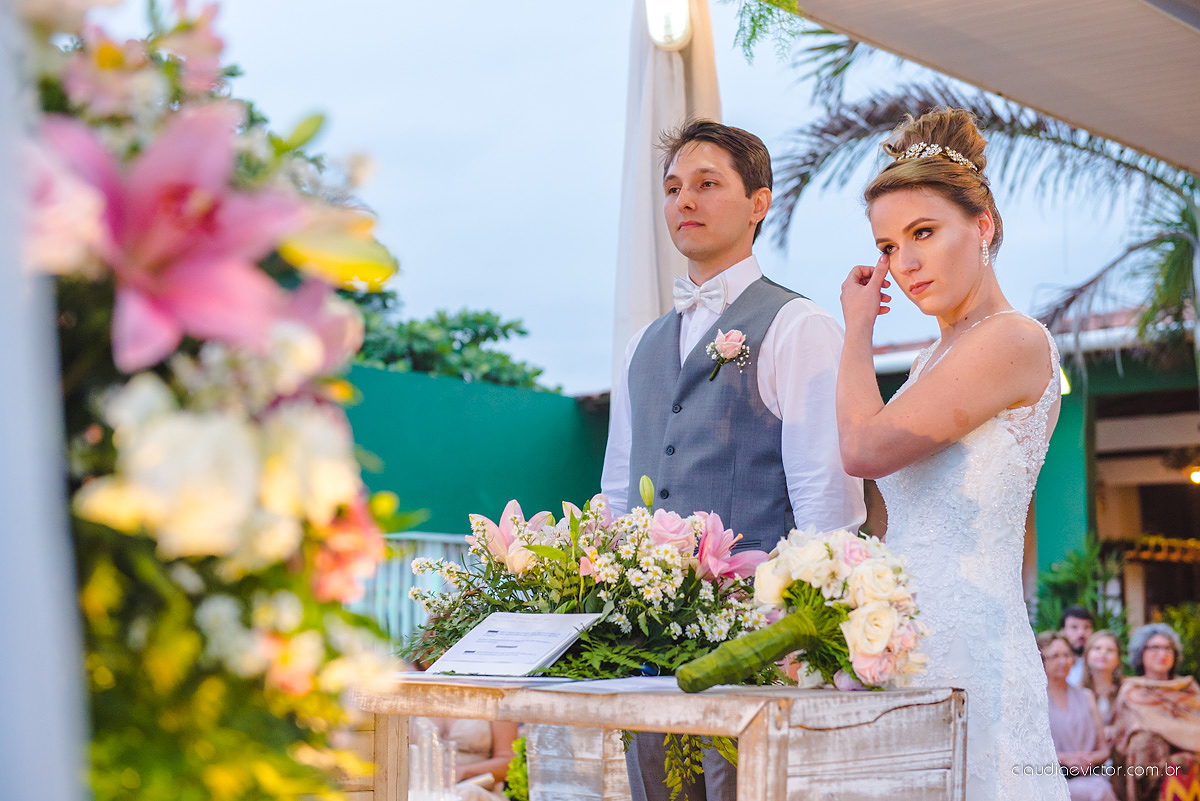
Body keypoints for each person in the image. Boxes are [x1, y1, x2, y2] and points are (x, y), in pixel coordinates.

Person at [602, 119, 866, 801]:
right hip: (647, 649)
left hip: (753, 647)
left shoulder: (799, 326)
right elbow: (620, 490)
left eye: (707, 183)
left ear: (758, 203)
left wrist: (799, 637)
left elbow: (828, 506)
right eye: (672, 188)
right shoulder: (639, 346)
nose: (684, 200)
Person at [835, 107, 1068, 800]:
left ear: (982, 226)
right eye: (886, 246)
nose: (903, 264)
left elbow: (863, 447)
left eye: (923, 233)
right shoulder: (929, 361)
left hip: (972, 650)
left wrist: (856, 331)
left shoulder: (1013, 339)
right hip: (904, 647)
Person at [1110, 623, 1200, 801]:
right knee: (1145, 741)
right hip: (1151, 770)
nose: (1162, 653)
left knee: (1184, 761)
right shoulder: (1132, 690)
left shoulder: (1188, 688)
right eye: (1155, 648)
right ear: (1141, 653)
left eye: (1168, 648)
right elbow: (1124, 733)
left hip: (1193, 759)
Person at [1039, 632, 1119, 801]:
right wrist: (1065, 759)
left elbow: (1103, 750)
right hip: (1049, 777)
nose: (1063, 661)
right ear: (1042, 660)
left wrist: (1086, 759)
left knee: (1099, 788)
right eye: (1055, 656)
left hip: (1089, 775)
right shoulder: (1035, 700)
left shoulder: (1086, 696)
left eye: (1067, 655)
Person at [1081, 630, 1123, 729]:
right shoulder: (1076, 692)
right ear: (1086, 655)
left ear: (1118, 659)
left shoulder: (1126, 689)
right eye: (1097, 648)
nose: (1103, 653)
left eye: (1110, 650)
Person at [1062, 606, 1096, 686]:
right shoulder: (1050, 662)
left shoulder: (1098, 663)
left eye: (1086, 627)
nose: (1081, 633)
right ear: (1062, 631)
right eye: (1074, 627)